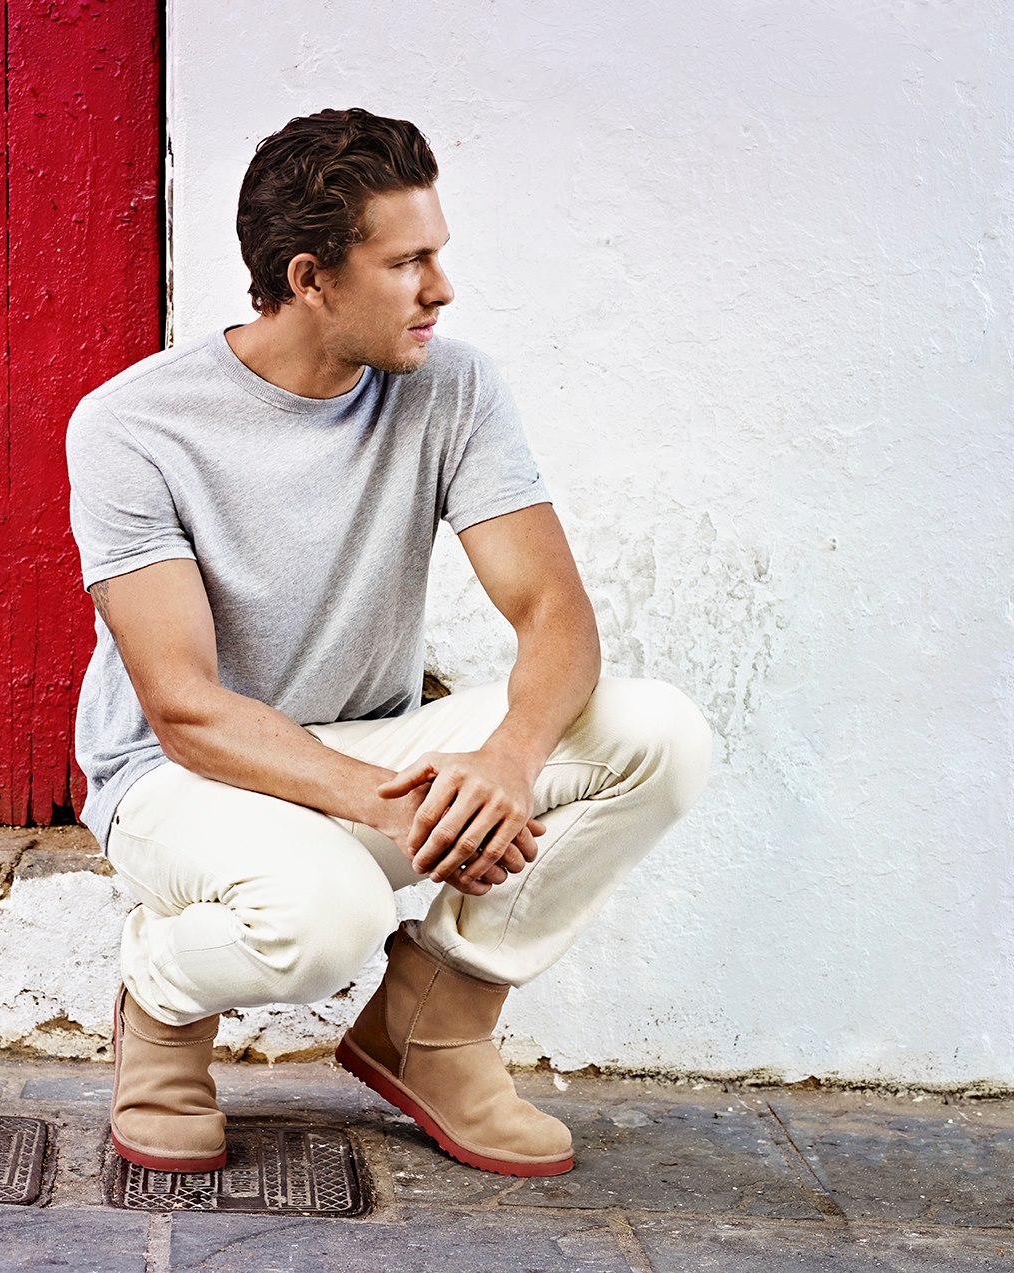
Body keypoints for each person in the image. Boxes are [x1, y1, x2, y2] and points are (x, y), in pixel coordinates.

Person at [66, 107, 713, 1178]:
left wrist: (507, 763)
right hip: (182, 776)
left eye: (437, 255)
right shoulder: (135, 427)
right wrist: (393, 804)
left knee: (659, 736)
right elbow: (183, 706)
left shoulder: (451, 387)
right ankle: (162, 1000)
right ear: (311, 278)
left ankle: (433, 1024)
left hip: (366, 742)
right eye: (409, 262)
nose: (441, 289)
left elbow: (553, 612)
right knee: (331, 919)